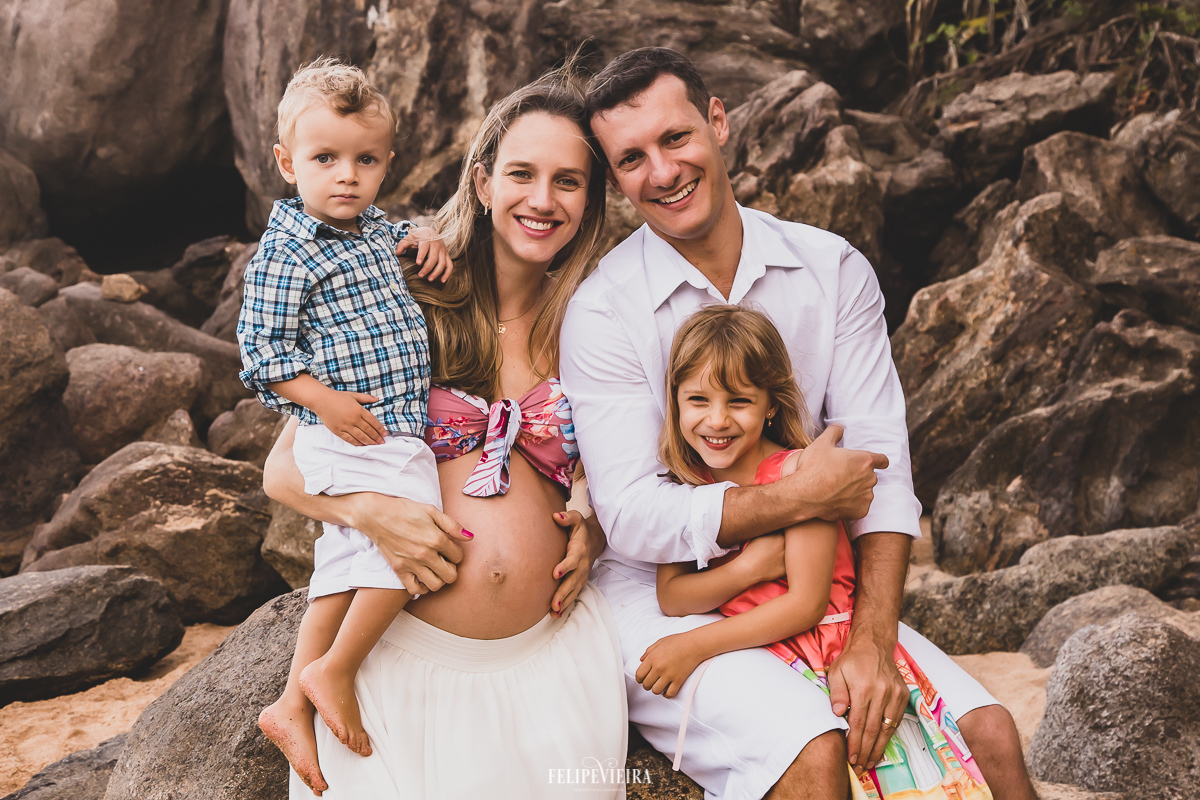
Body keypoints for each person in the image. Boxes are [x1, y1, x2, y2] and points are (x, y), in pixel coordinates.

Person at [559, 47, 1038, 799]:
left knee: (993, 738)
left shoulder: (831, 268)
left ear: (719, 122)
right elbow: (633, 516)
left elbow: (879, 470)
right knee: (816, 751)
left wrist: (873, 642)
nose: (661, 172)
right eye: (630, 159)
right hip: (659, 597)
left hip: (819, 587)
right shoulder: (602, 310)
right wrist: (799, 500)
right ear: (615, 178)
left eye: (675, 138)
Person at [262, 62, 628, 800]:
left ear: (590, 202)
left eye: (568, 181)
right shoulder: (408, 291)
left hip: (554, 662)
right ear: (485, 182)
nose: (542, 199)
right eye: (522, 173)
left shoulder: (599, 318)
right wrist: (373, 515)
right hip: (399, 662)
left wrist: (591, 516)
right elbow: (285, 470)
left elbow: (624, 452)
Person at [636, 305, 992, 800]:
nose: (716, 420)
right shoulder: (685, 484)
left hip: (826, 647)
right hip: (764, 649)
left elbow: (805, 604)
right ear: (674, 401)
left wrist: (694, 645)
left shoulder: (802, 476)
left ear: (771, 406)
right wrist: (750, 567)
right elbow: (673, 596)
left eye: (738, 401)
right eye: (698, 399)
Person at [238, 57, 456, 783]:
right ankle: (337, 668)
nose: (346, 176)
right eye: (324, 159)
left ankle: (289, 706)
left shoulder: (370, 231)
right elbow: (260, 351)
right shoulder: (288, 251)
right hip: (353, 426)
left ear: (386, 163)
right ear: (285, 162)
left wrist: (424, 237)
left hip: (380, 425)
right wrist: (322, 401)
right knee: (417, 532)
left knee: (341, 566)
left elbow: (404, 235)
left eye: (365, 161)